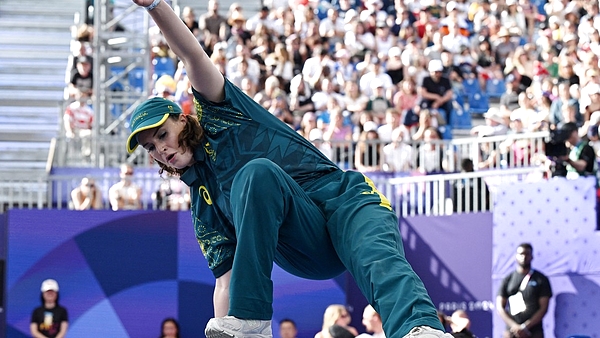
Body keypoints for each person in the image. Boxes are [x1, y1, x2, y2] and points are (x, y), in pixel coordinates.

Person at [127, 1, 450, 338]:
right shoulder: (203, 202)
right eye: (151, 147)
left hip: (347, 202)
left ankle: (420, 329)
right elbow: (225, 281)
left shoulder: (220, 111)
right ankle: (251, 321)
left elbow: (193, 56)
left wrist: (154, 6)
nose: (161, 149)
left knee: (376, 258)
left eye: (163, 134)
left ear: (183, 118)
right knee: (257, 175)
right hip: (305, 241)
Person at [496, 243, 552, 338]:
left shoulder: (540, 279)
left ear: (532, 256)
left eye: (527, 254)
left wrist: (525, 326)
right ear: (516, 256)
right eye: (521, 254)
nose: (524, 257)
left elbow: (543, 308)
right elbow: (500, 307)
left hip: (534, 331)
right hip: (512, 331)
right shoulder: (508, 279)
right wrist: (514, 326)